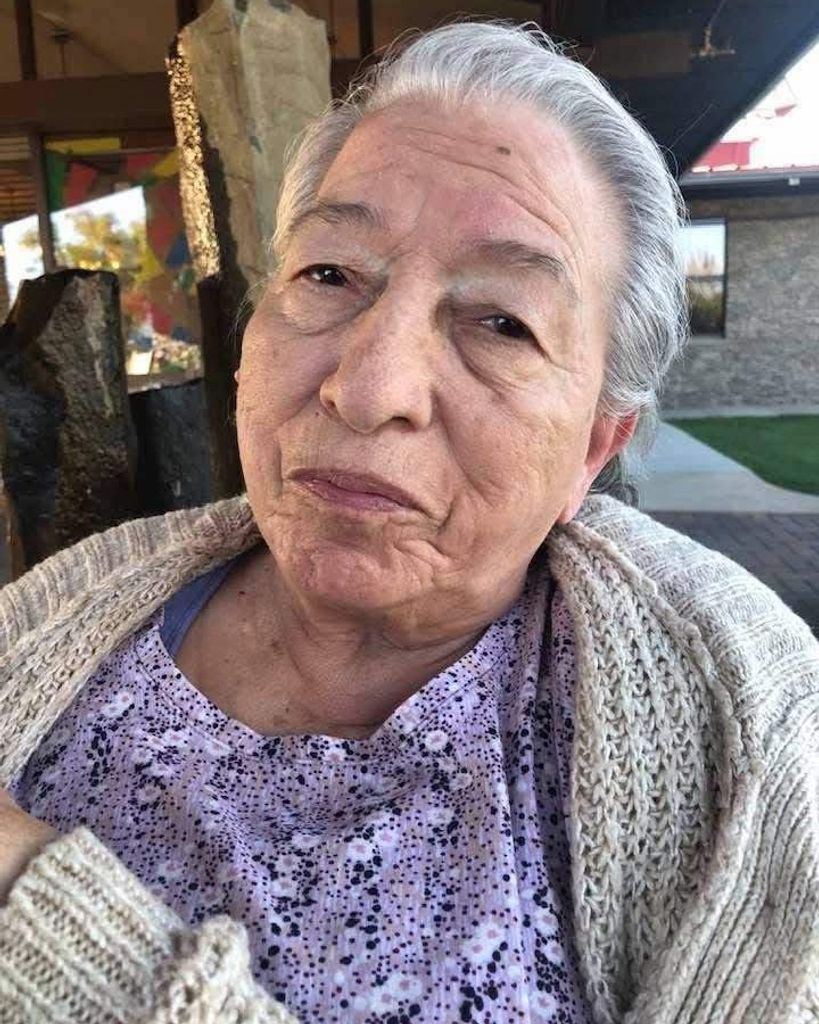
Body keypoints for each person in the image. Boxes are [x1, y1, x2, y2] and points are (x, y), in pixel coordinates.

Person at [1, 20, 817, 1024]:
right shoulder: (64, 611)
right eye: (330, 274)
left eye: (503, 322)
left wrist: (35, 915)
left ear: (594, 447)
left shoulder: (749, 735)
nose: (369, 387)